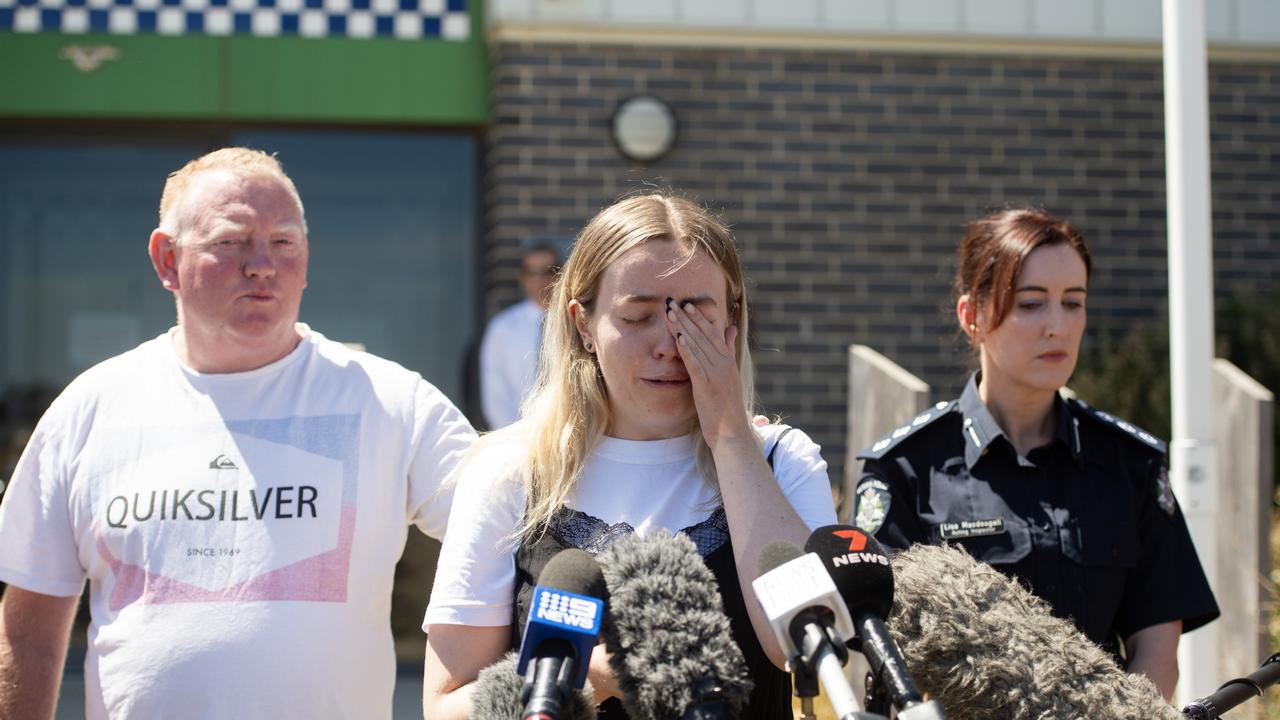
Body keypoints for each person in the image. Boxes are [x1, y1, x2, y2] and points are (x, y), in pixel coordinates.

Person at [0, 148, 476, 720]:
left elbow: (509, 536)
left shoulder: (392, 403)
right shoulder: (90, 410)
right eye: (231, 242)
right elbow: (26, 629)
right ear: (167, 259)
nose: (262, 265)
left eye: (284, 242)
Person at [422, 193, 838, 718]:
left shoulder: (784, 460)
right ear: (583, 324)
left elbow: (800, 646)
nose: (669, 343)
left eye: (696, 315)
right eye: (638, 316)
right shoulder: (510, 472)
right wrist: (589, 675)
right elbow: (444, 706)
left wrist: (731, 437)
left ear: (733, 322)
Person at [852, 207, 1218, 701]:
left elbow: (1156, 647)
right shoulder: (906, 469)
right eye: (1031, 303)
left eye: (1073, 302)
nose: (1058, 326)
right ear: (972, 316)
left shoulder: (1130, 465)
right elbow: (883, 651)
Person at [478, 243, 561, 429]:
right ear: (522, 277)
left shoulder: (575, 322)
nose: (541, 279)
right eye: (532, 271)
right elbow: (495, 393)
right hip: (518, 436)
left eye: (548, 270)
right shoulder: (503, 327)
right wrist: (514, 439)